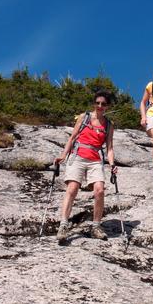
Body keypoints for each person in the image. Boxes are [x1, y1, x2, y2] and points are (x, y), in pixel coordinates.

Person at [54, 90, 117, 243]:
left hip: (95, 159)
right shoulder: (84, 117)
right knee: (72, 188)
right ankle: (63, 225)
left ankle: (96, 226)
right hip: (78, 155)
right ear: (94, 103)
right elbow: (73, 137)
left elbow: (109, 148)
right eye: (98, 103)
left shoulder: (108, 125)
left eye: (103, 104)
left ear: (107, 106)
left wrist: (112, 164)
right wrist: (63, 155)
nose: (100, 106)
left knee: (100, 190)